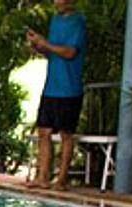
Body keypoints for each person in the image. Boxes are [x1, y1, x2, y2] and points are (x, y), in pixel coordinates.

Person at [26, 0, 87, 190]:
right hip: (51, 86)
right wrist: (38, 45)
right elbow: (52, 52)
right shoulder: (54, 21)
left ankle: (61, 179)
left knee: (65, 134)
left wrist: (47, 44)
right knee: (44, 131)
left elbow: (69, 52)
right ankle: (43, 176)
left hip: (69, 88)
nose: (56, 2)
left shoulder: (78, 22)